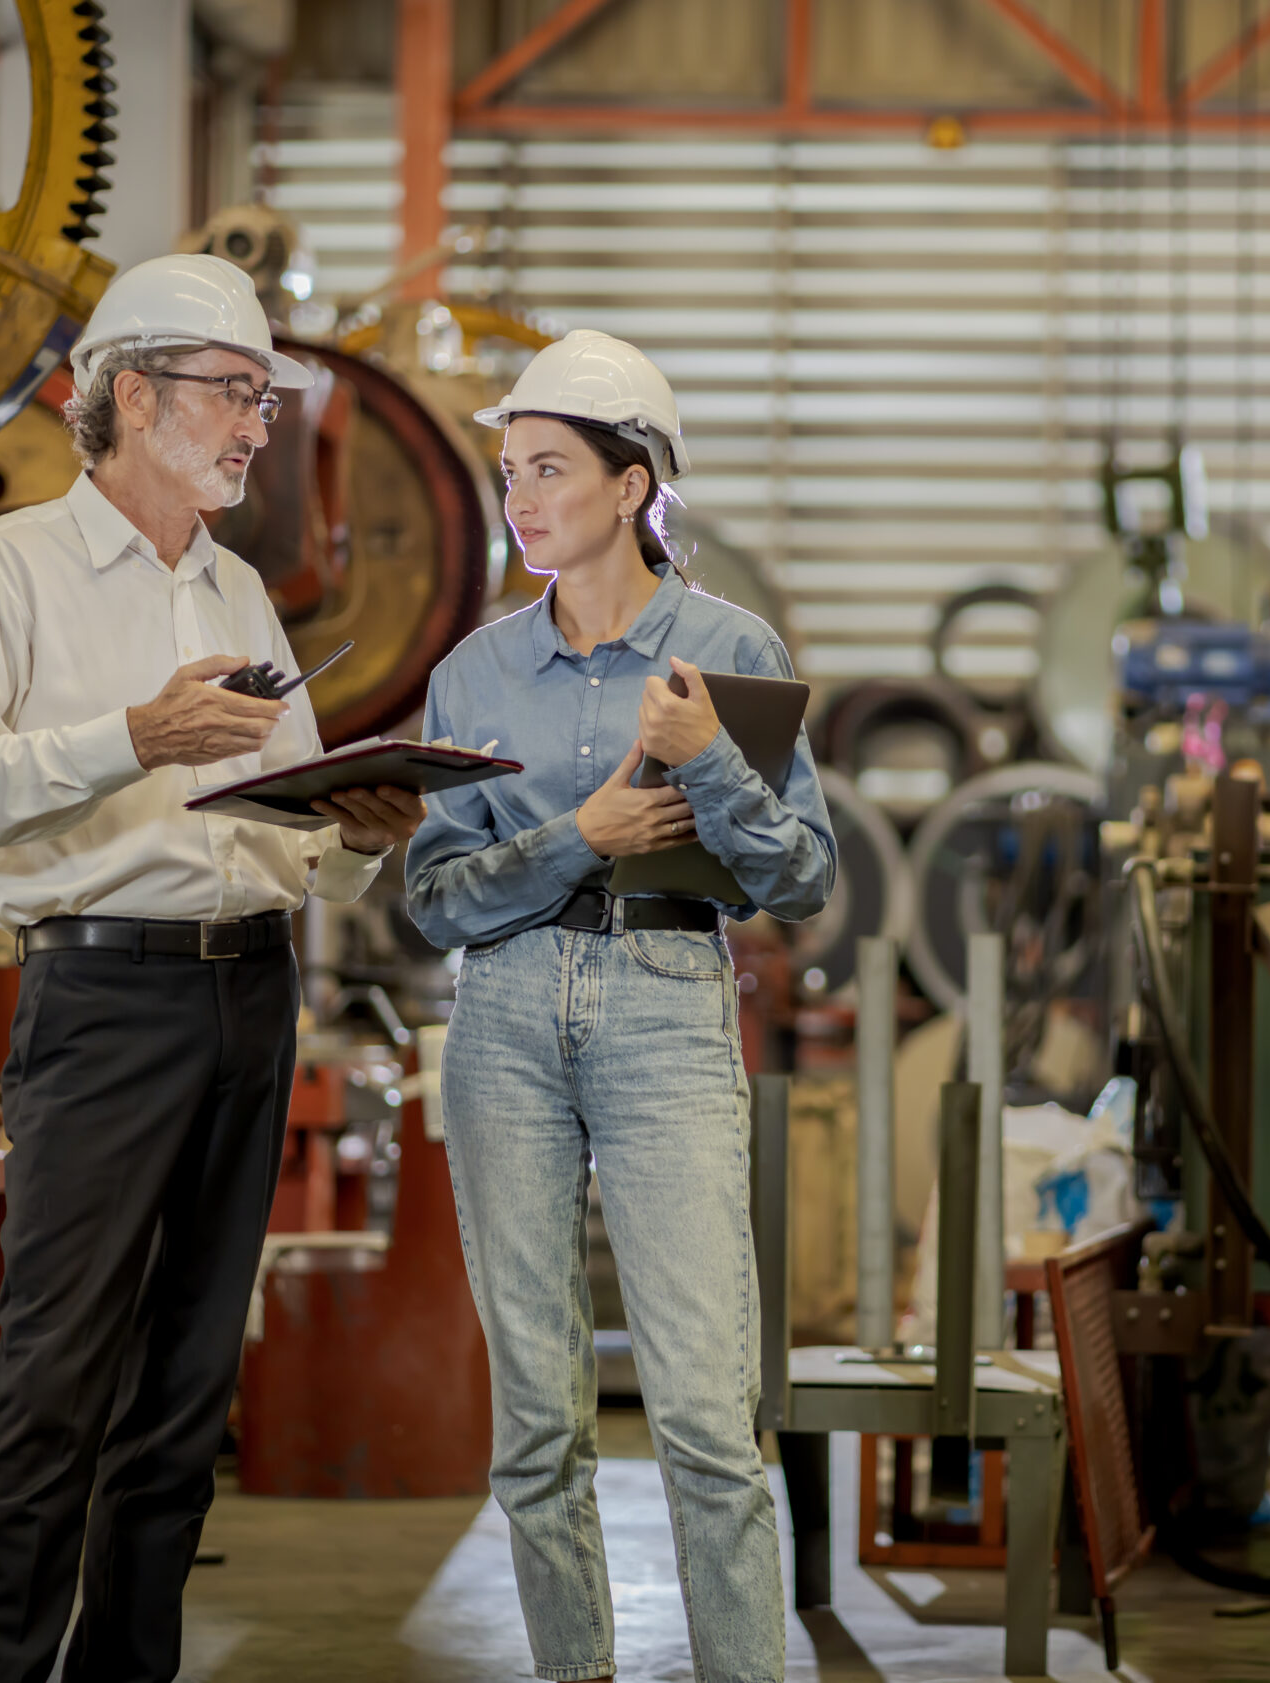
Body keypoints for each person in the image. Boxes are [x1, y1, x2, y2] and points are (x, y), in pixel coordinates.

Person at [0, 253, 428, 1683]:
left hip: (252, 994)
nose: (261, 425)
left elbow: (287, 831)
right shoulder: (5, 573)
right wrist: (132, 737)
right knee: (57, 1384)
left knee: (186, 1398)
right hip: (104, 998)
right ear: (133, 395)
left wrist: (365, 834)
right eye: (237, 392)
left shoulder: (241, 593)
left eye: (265, 397)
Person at [405, 330, 834, 1683]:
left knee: (710, 1419)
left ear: (634, 479)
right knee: (538, 1425)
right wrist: (579, 833)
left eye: (549, 469)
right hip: (507, 1018)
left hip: (666, 1002)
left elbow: (802, 878)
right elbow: (434, 900)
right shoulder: (473, 674)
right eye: (509, 472)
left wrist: (713, 765)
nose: (520, 499)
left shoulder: (727, 649)